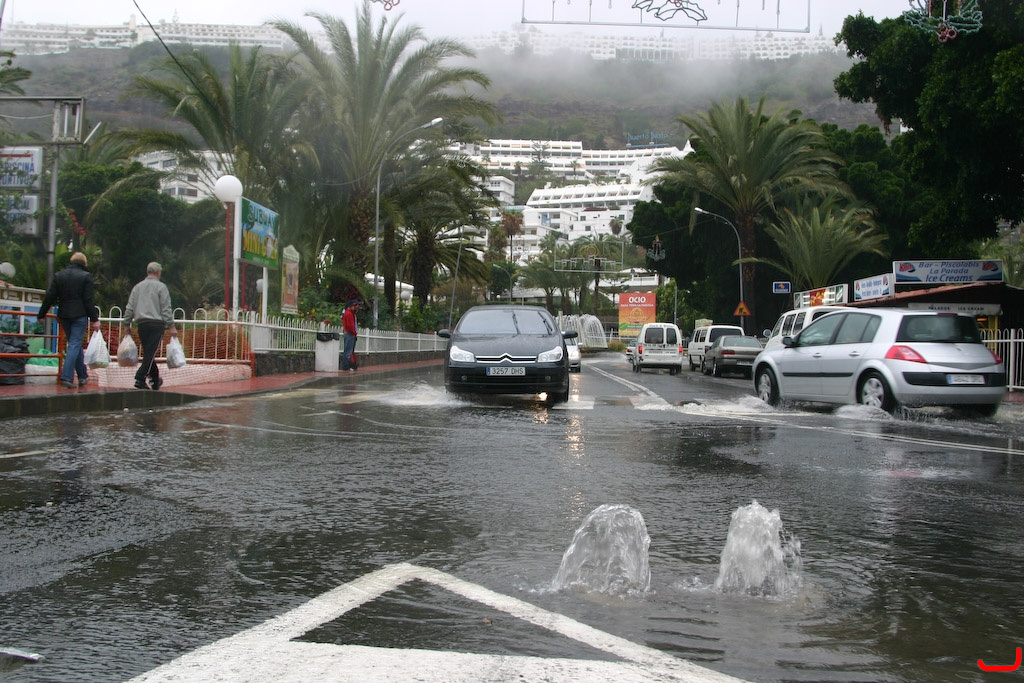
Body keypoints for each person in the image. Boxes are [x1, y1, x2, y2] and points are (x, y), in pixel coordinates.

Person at [37, 252, 102, 389]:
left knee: (74, 344)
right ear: (84, 263)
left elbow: (50, 296)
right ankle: (67, 377)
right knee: (74, 344)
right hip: (80, 315)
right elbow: (88, 300)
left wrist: (41, 314)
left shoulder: (59, 275)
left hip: (64, 315)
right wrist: (94, 319)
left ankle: (83, 376)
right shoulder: (86, 276)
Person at [123, 262, 177, 390]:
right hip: (156, 324)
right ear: (158, 273)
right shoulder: (161, 287)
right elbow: (166, 308)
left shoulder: (137, 287)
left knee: (149, 353)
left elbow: (130, 307)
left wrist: (127, 323)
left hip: (142, 325)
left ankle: (155, 379)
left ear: (148, 272)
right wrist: (171, 325)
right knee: (150, 353)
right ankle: (140, 377)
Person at [341, 299, 359, 371]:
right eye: (354, 306)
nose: (356, 308)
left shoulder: (349, 313)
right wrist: (354, 333)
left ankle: (347, 365)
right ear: (350, 306)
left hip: (349, 333)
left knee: (348, 350)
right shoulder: (349, 314)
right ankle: (346, 366)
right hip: (350, 334)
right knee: (348, 351)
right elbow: (350, 326)